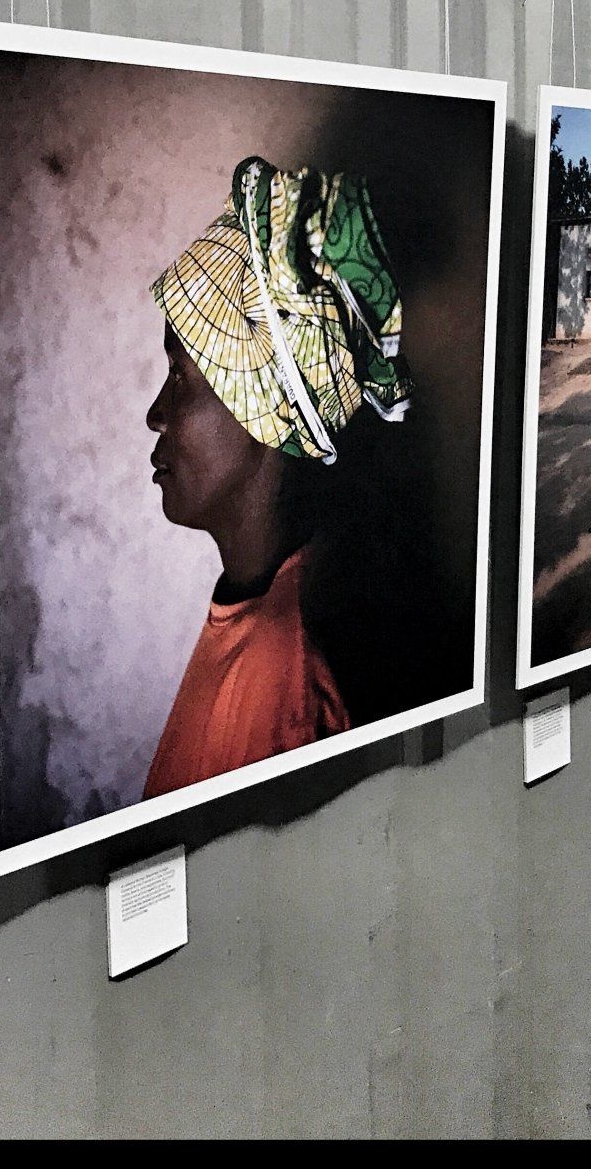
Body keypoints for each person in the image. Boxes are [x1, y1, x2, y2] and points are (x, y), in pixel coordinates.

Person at [141, 155, 412, 799]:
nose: (155, 414)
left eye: (180, 376)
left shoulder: (295, 693)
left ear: (265, 403)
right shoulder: (254, 623)